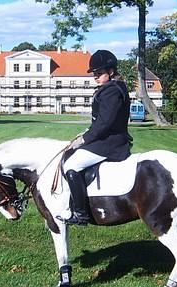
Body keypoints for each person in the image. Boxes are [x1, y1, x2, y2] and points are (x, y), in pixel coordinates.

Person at [59, 49, 132, 225]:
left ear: (111, 72)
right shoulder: (111, 88)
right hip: (107, 139)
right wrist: (84, 133)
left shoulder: (111, 91)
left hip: (110, 144)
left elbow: (104, 124)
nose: (96, 77)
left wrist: (83, 140)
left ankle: (80, 213)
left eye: (99, 73)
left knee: (71, 166)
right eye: (94, 73)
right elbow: (100, 121)